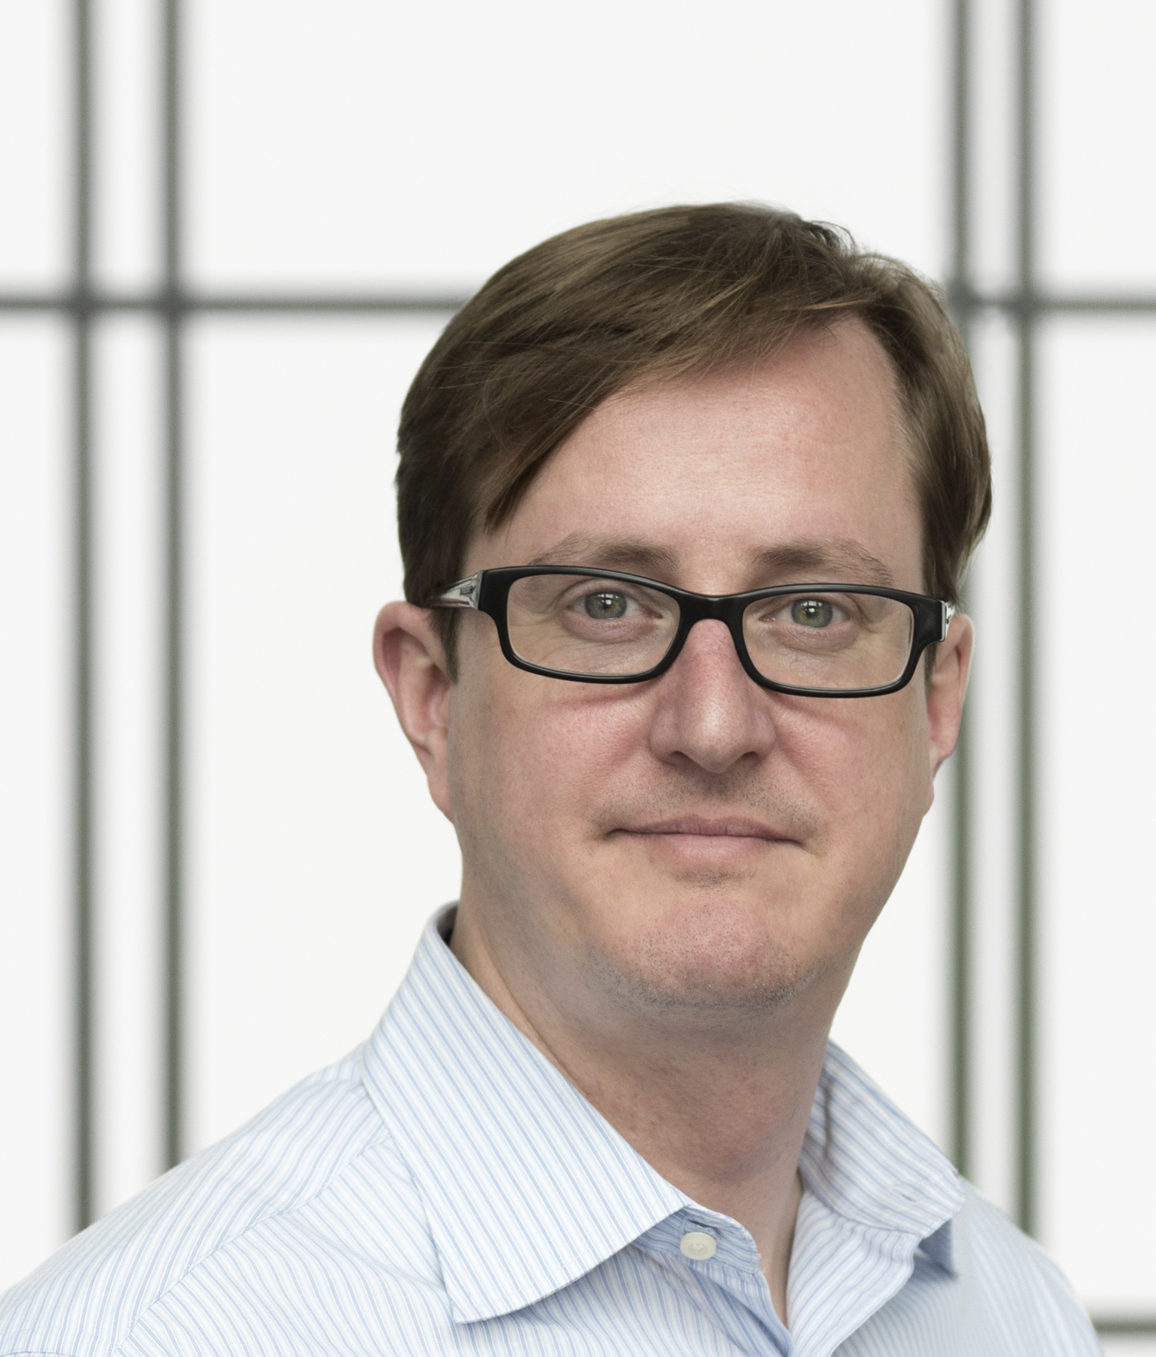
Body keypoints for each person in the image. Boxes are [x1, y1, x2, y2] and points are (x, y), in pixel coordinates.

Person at [0, 203, 1101, 1355]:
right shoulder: (154, 1333)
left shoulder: (1007, 1311)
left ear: (935, 695)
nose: (713, 724)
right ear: (433, 694)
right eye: (606, 606)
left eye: (814, 610)